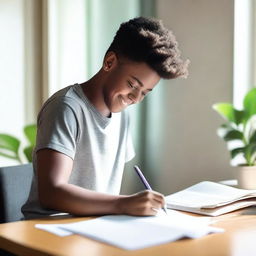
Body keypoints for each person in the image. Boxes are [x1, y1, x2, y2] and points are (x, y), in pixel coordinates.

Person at [22, 16, 189, 219]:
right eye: (132, 85)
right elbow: (52, 193)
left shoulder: (122, 117)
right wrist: (123, 204)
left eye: (145, 92)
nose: (136, 98)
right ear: (109, 62)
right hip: (47, 231)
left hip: (93, 227)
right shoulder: (66, 108)